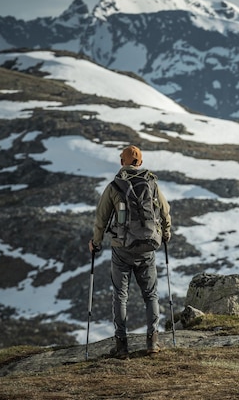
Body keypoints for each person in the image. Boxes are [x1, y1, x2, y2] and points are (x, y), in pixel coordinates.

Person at [88, 145, 171, 359]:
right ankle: (153, 342)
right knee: (150, 295)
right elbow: (164, 209)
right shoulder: (151, 183)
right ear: (140, 162)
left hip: (122, 249)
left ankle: (122, 346)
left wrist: (95, 243)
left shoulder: (115, 186)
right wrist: (167, 232)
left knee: (120, 296)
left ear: (122, 162)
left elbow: (101, 218)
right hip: (147, 247)